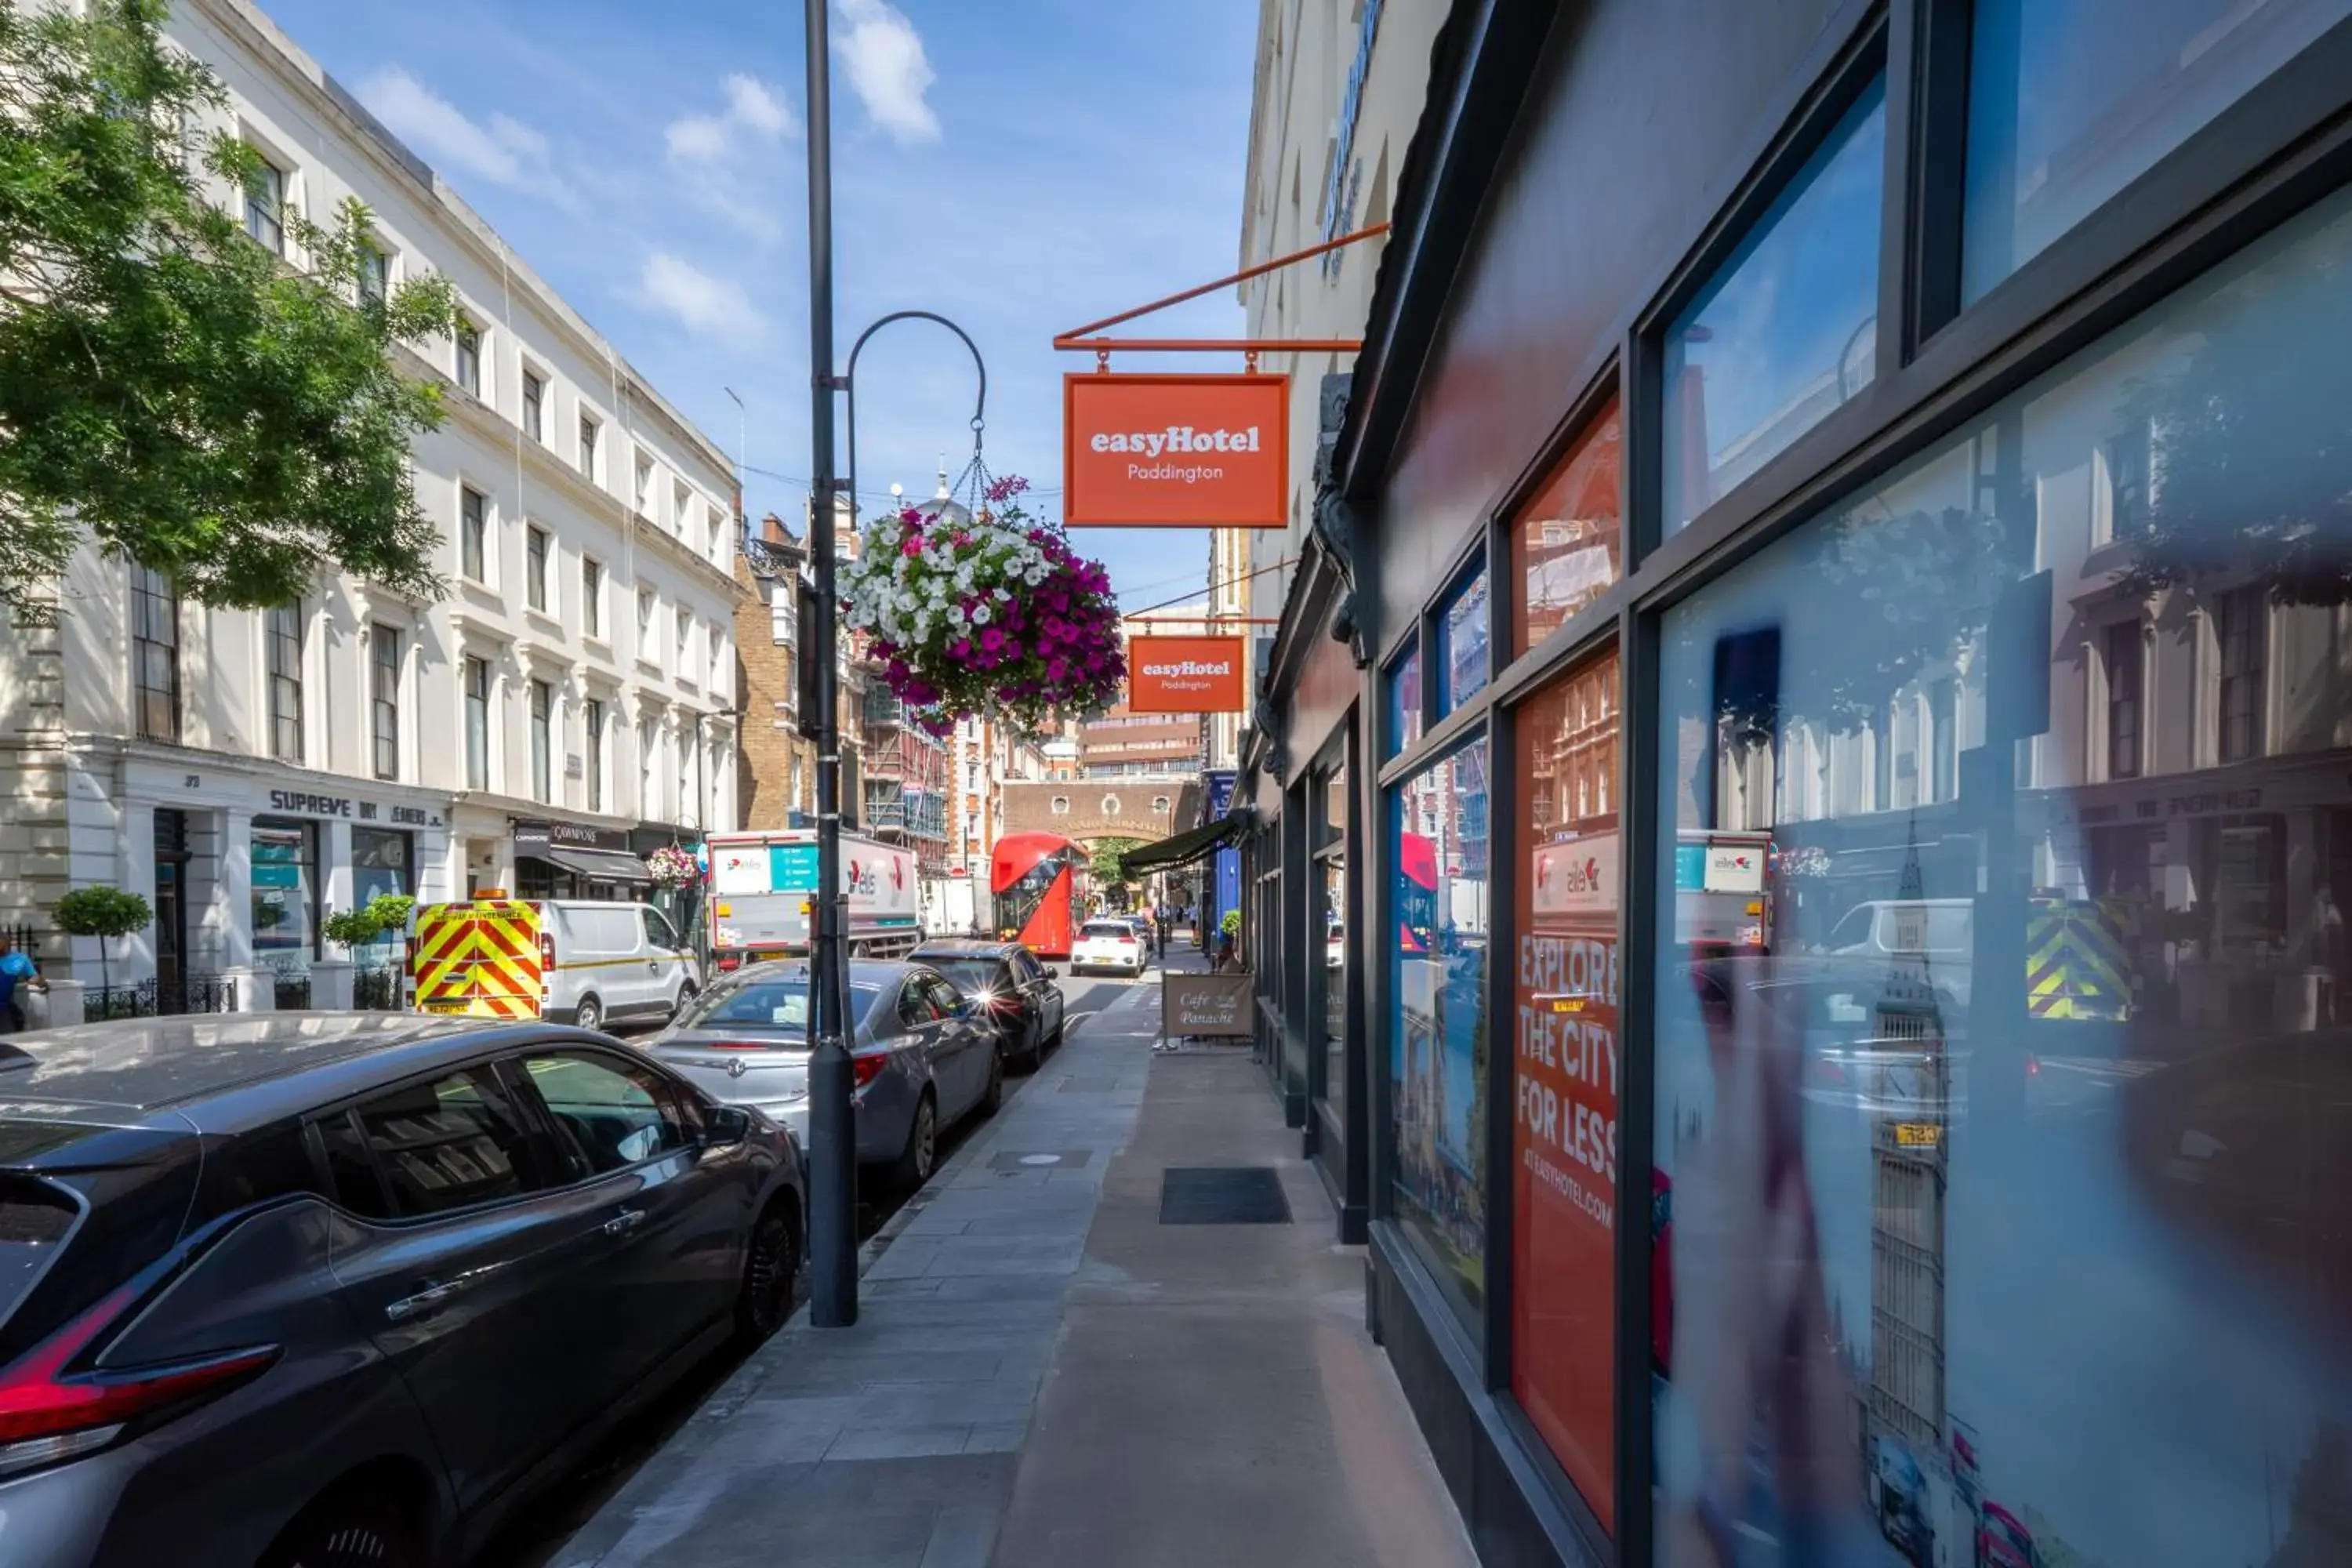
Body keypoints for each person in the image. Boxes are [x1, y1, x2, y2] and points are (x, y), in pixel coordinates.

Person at [0, 933, 45, 1035]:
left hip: (3, 1009)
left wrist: (35, 980)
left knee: (7, 1040)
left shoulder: (20, 959)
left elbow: (34, 976)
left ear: (5, 942)